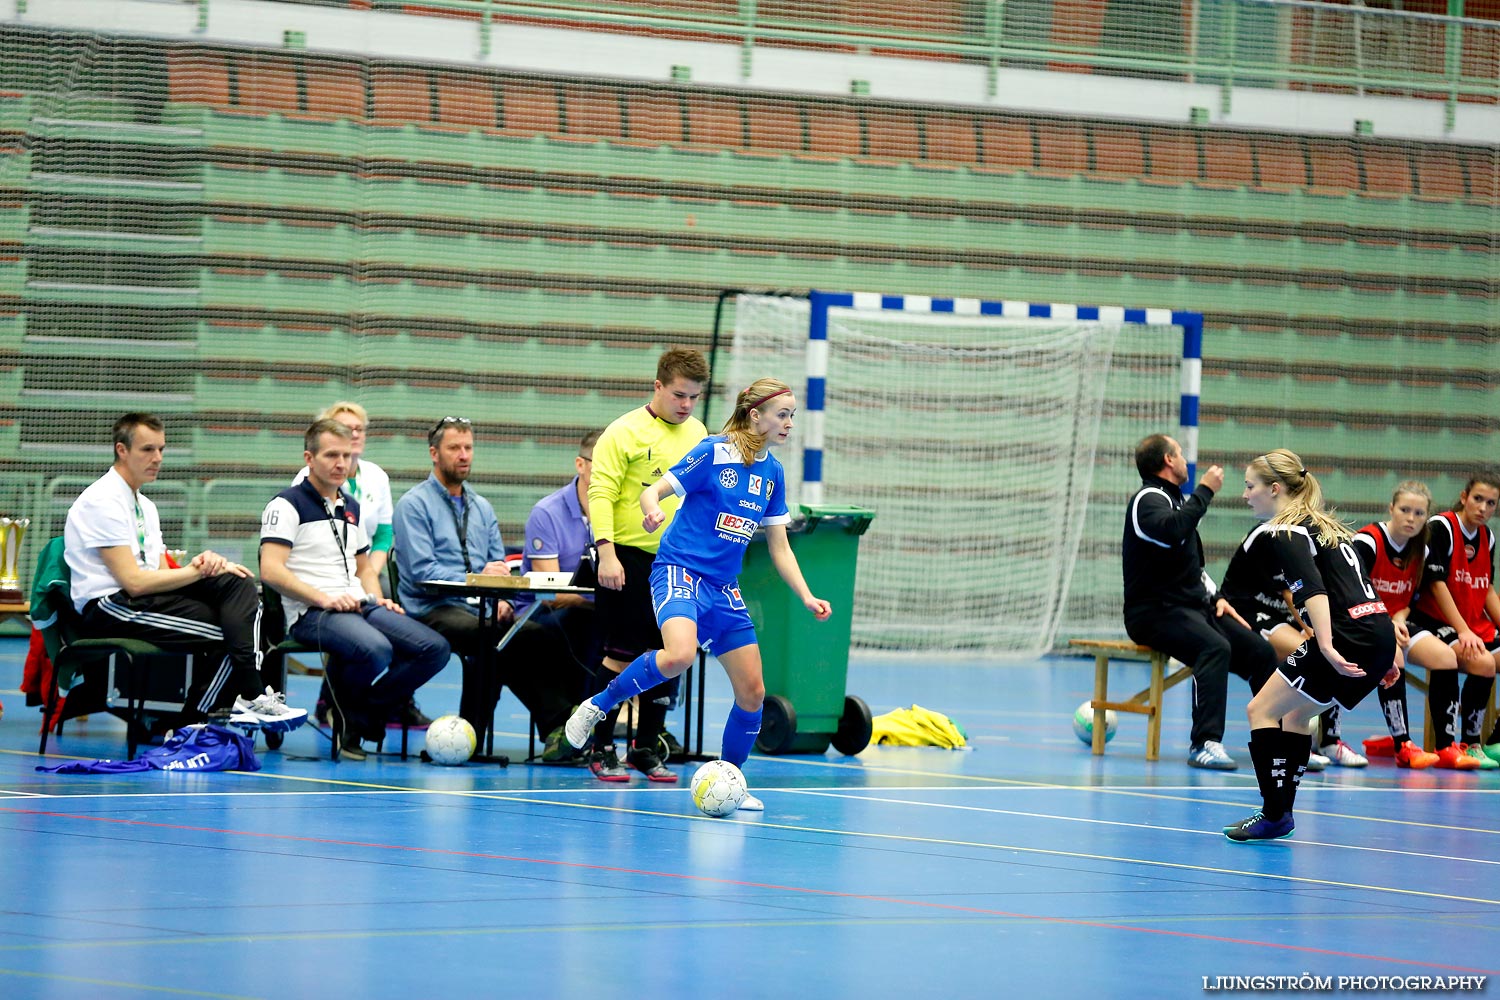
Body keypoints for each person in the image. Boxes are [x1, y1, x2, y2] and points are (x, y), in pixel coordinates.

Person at [563, 378, 830, 812]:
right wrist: (651, 508)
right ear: (754, 414)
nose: (789, 423)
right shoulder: (712, 451)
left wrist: (806, 595)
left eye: (792, 415)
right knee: (680, 655)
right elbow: (654, 490)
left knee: (753, 693)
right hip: (679, 571)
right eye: (782, 414)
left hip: (723, 588)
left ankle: (732, 781)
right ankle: (598, 704)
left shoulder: (773, 473)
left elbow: (780, 547)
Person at [64, 413, 306, 732]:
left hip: (144, 599)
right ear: (121, 450)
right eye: (147, 450)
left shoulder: (145, 506)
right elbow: (134, 583)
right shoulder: (101, 501)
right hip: (111, 606)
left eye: (161, 449)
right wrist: (196, 571)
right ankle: (230, 703)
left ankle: (207, 715)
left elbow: (161, 572)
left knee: (237, 582)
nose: (157, 458)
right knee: (231, 633)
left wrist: (208, 568)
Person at [1222, 450, 1400, 842]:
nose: (1245, 495)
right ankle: (1281, 811)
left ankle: (1273, 814)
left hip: (1348, 635)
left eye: (1250, 486)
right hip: (1375, 631)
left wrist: (1328, 647)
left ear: (1274, 489)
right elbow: (1361, 589)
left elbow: (1314, 592)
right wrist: (1384, 653)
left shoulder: (1282, 531)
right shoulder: (1326, 524)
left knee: (1260, 709)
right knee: (1296, 716)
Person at [260, 418, 449, 760]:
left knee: (434, 649)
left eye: (346, 455)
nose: (341, 464)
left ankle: (360, 716)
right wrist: (323, 597)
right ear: (309, 458)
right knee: (375, 649)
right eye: (331, 455)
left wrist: (379, 599)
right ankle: (353, 721)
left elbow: (364, 568)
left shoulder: (352, 507)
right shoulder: (285, 505)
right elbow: (270, 569)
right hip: (312, 612)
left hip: (358, 604)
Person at [392, 416, 576, 752]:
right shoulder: (413, 505)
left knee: (531, 632)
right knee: (498, 639)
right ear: (434, 453)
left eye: (468, 447)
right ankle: (560, 724)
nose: (463, 455)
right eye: (454, 448)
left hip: (480, 609)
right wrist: (474, 582)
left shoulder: (482, 508)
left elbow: (500, 568)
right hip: (431, 609)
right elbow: (422, 572)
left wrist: (503, 599)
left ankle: (474, 737)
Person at [575, 348, 711, 782]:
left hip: (678, 561)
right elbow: (601, 494)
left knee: (671, 656)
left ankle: (647, 747)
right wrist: (607, 552)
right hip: (628, 559)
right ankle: (600, 746)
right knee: (619, 655)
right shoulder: (623, 432)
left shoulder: (699, 434)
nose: (686, 405)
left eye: (693, 397)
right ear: (658, 386)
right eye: (678, 395)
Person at [1121, 433, 1278, 770]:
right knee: (1214, 648)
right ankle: (1204, 743)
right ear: (1167, 461)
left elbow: (1195, 568)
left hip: (1192, 608)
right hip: (1153, 613)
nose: (1183, 459)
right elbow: (1172, 531)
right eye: (1178, 453)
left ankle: (1279, 740)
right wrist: (1205, 490)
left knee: (1261, 652)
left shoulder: (1176, 503)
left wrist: (1218, 598)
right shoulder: (1147, 500)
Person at [291, 401, 424, 729]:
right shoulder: (304, 484)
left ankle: (394, 700)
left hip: (365, 567)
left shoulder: (376, 477)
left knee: (400, 611)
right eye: (345, 428)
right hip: (325, 579)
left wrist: (370, 572)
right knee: (358, 629)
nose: (353, 434)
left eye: (359, 429)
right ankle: (335, 701)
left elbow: (383, 533)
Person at [1400, 471, 1500, 770]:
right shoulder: (1441, 526)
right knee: (1483, 663)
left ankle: (1493, 741)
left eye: (1491, 503)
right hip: (1434, 618)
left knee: (1487, 660)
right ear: (1464, 497)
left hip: (1470, 621)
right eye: (1478, 499)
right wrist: (1463, 630)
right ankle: (1466, 743)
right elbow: (1435, 583)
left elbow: (1487, 588)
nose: (1483, 508)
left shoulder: (1487, 537)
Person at [1345, 482, 1442, 769]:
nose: (1411, 518)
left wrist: (1398, 618)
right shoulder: (1368, 542)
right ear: (1391, 508)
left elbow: (1411, 597)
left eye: (1419, 513)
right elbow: (1348, 592)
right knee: (1393, 658)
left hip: (1393, 622)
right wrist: (1387, 621)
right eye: (1405, 510)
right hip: (1357, 620)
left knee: (1446, 658)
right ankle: (1403, 744)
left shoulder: (1420, 551)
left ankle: (1448, 744)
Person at [514, 430, 602, 719]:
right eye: (601, 463)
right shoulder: (547, 513)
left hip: (591, 607)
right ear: (581, 464)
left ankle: (652, 728)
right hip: (538, 613)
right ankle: (577, 720)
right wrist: (595, 602)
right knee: (584, 621)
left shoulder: (617, 513)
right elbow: (551, 593)